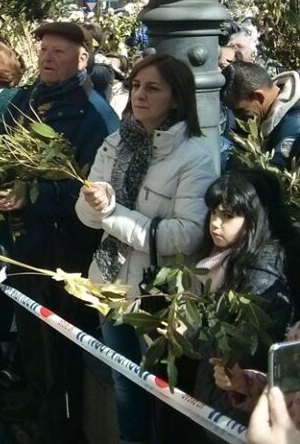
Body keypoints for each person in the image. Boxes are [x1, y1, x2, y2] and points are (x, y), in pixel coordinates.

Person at [76, 53, 216, 444]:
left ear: (177, 98)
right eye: (136, 85)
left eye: (152, 88)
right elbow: (86, 214)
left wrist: (112, 212)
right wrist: (94, 204)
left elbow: (185, 235)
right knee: (125, 386)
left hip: (160, 297)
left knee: (169, 397)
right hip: (108, 285)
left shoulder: (195, 157)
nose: (139, 94)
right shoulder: (115, 141)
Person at [0, 21, 119, 444]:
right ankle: (34, 404)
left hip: (65, 247)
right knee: (31, 332)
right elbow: (2, 147)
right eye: (44, 50)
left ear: (82, 58)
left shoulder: (96, 113)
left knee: (60, 341)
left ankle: (55, 427)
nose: (47, 58)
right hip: (25, 241)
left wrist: (34, 194)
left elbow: (91, 186)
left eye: (58, 52)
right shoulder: (29, 98)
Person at [194, 171, 294, 428]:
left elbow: (238, 348)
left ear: (253, 220)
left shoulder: (261, 277)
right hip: (220, 399)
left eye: (227, 216)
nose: (215, 223)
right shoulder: (224, 260)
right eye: (214, 213)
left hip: (237, 410)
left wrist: (190, 332)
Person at [224, 62, 300, 170]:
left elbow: (277, 177)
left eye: (240, 110)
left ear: (258, 97)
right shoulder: (264, 118)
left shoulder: (294, 126)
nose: (237, 117)